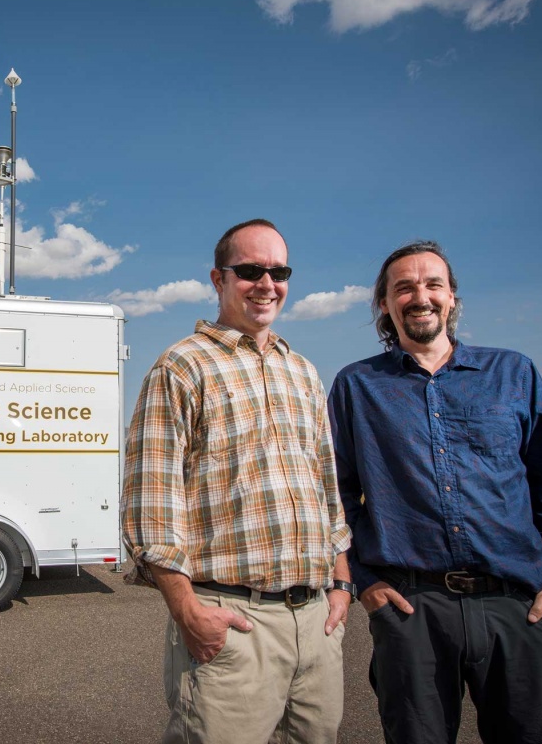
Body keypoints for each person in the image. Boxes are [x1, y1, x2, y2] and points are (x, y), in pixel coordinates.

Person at [327, 240, 542, 744]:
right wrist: (366, 583)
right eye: (403, 287)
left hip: (517, 607)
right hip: (412, 612)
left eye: (433, 284)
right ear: (384, 305)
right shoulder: (356, 386)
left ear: (452, 297)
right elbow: (337, 499)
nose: (420, 296)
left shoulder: (512, 373)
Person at [121, 219, 355, 744]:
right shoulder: (182, 366)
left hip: (316, 622)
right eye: (250, 270)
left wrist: (341, 585)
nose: (266, 283)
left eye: (279, 271)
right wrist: (188, 612)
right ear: (218, 278)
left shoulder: (304, 371)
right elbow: (150, 501)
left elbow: (327, 485)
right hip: (233, 621)